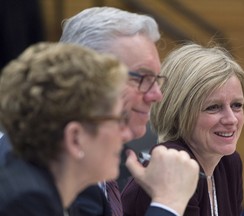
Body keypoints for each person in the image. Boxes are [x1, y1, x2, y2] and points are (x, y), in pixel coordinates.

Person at [0, 42, 200, 216]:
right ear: (75, 138)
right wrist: (168, 202)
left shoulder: (57, 188)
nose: (126, 133)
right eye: (117, 120)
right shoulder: (26, 201)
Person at [121, 42, 244, 216]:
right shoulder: (172, 169)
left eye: (237, 105)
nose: (231, 119)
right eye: (213, 107)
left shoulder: (229, 163)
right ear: (178, 112)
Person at [59, 6, 168, 216]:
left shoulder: (115, 153)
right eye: (142, 78)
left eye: (156, 80)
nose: (156, 95)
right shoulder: (58, 166)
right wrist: (167, 202)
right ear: (87, 77)